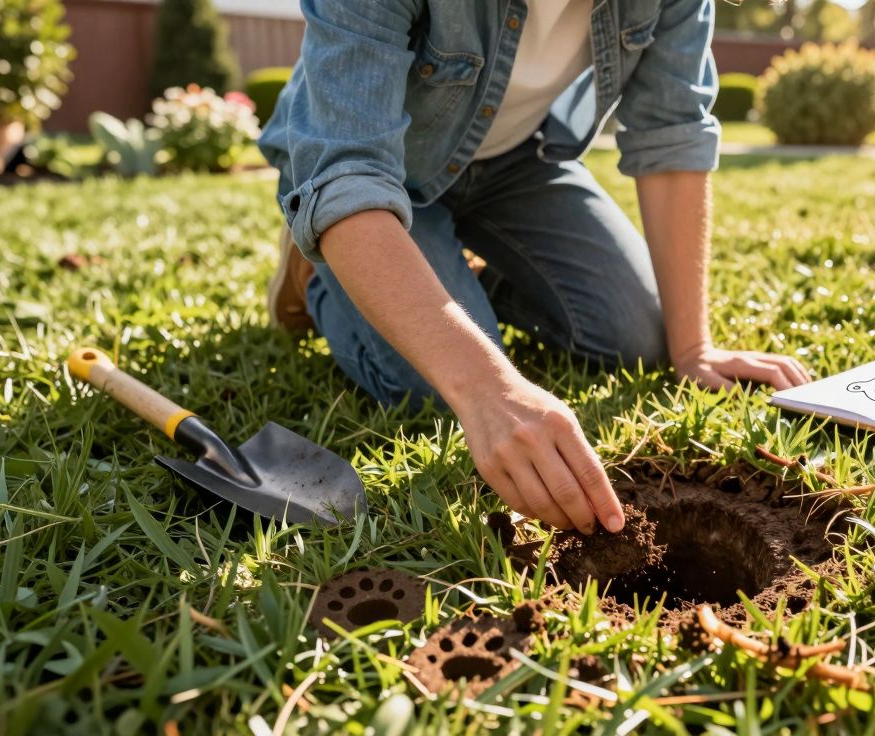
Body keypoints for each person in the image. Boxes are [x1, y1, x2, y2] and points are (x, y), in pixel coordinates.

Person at [259, 0, 809, 537]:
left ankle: (440, 276)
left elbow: (674, 137)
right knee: (431, 389)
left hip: (518, 162)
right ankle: (328, 264)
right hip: (377, 180)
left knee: (638, 338)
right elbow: (347, 174)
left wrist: (694, 349)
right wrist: (485, 389)